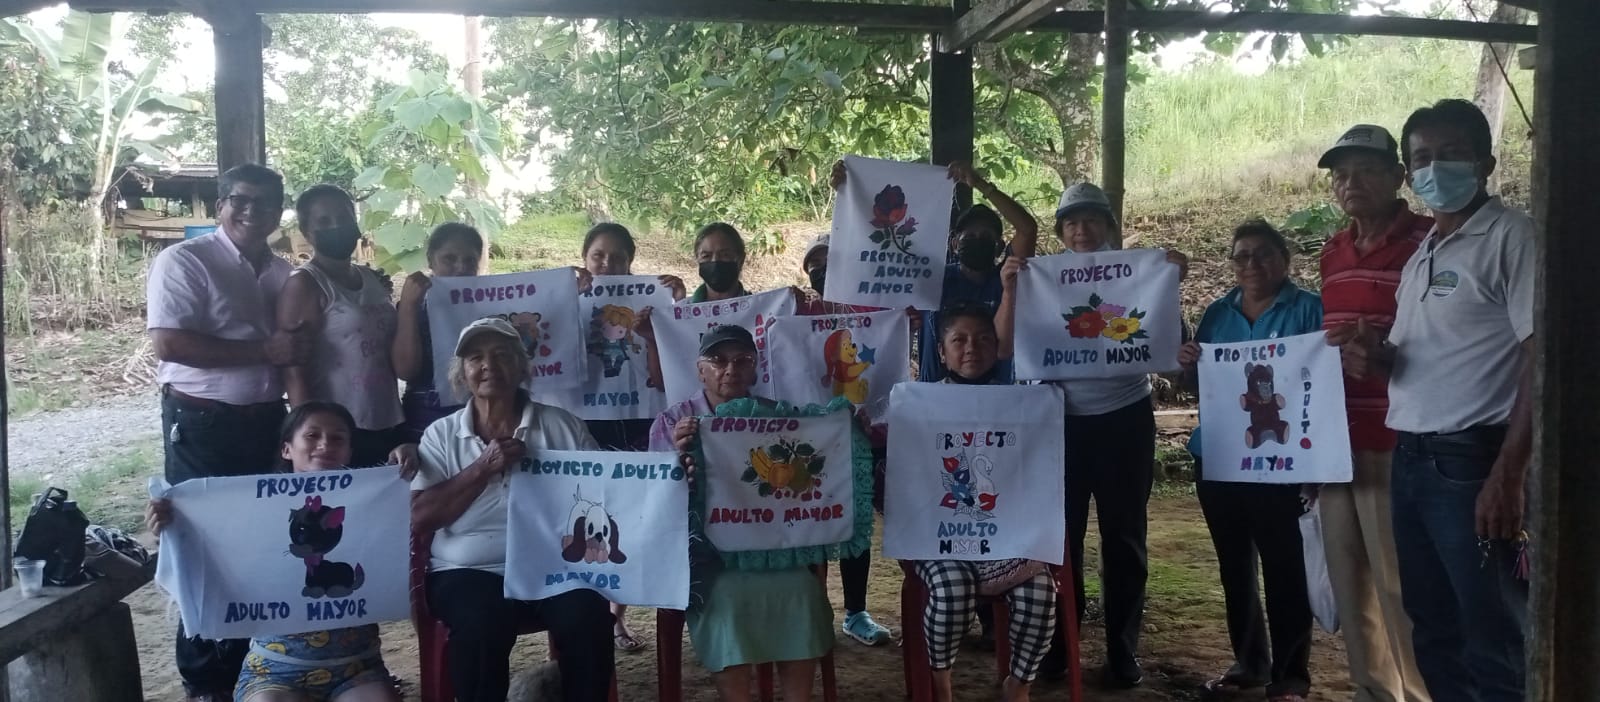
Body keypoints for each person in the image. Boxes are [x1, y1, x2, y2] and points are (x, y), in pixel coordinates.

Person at [1328, 99, 1534, 702]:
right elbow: (1423, 356)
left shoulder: (1511, 236)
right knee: (1433, 626)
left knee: (1492, 631)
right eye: (1423, 157)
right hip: (1413, 456)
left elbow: (1542, 356)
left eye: (1451, 154)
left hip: (1473, 460)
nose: (1434, 168)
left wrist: (1509, 474)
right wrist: (1376, 358)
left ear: (1485, 163)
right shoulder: (1429, 251)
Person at [994, 182, 1189, 688]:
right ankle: (1060, 646)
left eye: (1091, 220)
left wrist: (1169, 283)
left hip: (1125, 420)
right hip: (1058, 425)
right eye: (1071, 223)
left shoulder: (1137, 272)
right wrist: (1011, 288)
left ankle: (1123, 652)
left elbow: (1168, 347)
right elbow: (1004, 346)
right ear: (1061, 231)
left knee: (1125, 538)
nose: (1081, 230)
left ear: (1108, 225)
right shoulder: (1039, 277)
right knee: (1062, 541)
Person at [146, 162, 311, 702]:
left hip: (266, 422)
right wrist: (265, 351)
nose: (251, 211)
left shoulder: (282, 273)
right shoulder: (185, 260)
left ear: (279, 211)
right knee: (205, 549)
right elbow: (169, 343)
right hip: (203, 424)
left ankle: (253, 669)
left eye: (265, 203)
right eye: (240, 200)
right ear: (221, 205)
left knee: (262, 544)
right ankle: (205, 682)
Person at [147, 402, 416, 702]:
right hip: (272, 669)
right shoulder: (253, 512)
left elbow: (412, 511)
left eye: (338, 438)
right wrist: (171, 528)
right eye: (312, 435)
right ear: (287, 449)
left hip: (357, 667)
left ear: (350, 450)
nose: (325, 444)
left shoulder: (376, 502)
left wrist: (412, 454)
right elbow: (209, 551)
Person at [410, 317, 614, 702]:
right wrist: (481, 469)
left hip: (554, 566)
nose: (489, 365)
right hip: (467, 569)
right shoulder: (441, 434)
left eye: (502, 354)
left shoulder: (563, 426)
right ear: (462, 373)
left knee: (587, 616)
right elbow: (421, 517)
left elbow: (603, 496)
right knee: (482, 622)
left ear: (522, 368)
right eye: (475, 357)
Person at [649, 325, 835, 702]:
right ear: (700, 370)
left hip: (773, 549)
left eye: (742, 360)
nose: (730, 369)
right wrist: (675, 463)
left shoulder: (780, 418)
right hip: (708, 559)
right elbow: (652, 502)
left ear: (755, 370)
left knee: (802, 592)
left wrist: (850, 431)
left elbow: (815, 471)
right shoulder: (672, 422)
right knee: (725, 599)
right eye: (718, 360)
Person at [1178, 221, 1321, 702]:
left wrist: (1318, 464)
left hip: (1285, 463)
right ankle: (1250, 663)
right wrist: (1188, 363)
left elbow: (1326, 383)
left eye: (1263, 254)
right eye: (1242, 255)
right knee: (1234, 567)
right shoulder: (1218, 313)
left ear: (1285, 259)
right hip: (1220, 458)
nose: (1252, 264)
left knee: (1285, 567)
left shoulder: (1310, 309)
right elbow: (1202, 387)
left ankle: (1290, 676)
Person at [1315, 124, 1432, 702]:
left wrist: (1388, 354)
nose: (1351, 183)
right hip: (1336, 443)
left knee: (1400, 585)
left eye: (1365, 171)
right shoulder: (1332, 253)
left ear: (1397, 177)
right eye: (1341, 175)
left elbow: (1446, 338)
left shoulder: (1429, 242)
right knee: (1350, 582)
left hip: (1397, 439)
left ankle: (1421, 692)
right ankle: (1372, 691)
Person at [916, 302, 1058, 702]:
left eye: (982, 339)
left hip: (1007, 538)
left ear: (997, 347)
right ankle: (941, 685)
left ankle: (1019, 685)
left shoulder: (1024, 404)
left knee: (1040, 593)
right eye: (958, 340)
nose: (971, 349)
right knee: (952, 590)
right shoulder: (917, 404)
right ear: (941, 351)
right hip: (939, 539)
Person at [576, 222, 686, 654]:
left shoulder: (649, 302)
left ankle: (616, 617)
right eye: (599, 255)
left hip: (641, 421)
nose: (607, 263)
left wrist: (675, 307)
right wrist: (565, 296)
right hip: (585, 424)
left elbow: (672, 365)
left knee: (632, 519)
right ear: (585, 258)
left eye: (618, 256)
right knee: (586, 515)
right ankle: (578, 623)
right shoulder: (566, 297)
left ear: (630, 262)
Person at [829, 159, 1038, 384]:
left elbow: (1027, 229)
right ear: (954, 244)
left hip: (995, 393)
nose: (978, 240)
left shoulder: (1008, 279)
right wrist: (850, 193)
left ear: (999, 246)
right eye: (969, 236)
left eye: (986, 237)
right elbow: (878, 253)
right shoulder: (931, 277)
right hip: (934, 394)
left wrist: (980, 184)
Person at [793, 233, 894, 647]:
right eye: (813, 265)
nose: (822, 270)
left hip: (865, 437)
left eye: (829, 260)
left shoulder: (877, 309)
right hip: (812, 441)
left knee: (856, 525)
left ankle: (855, 613)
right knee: (812, 522)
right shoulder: (801, 311)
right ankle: (812, 611)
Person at [278, 185, 405, 467]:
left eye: (344, 217)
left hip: (388, 419)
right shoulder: (304, 284)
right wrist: (307, 435)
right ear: (307, 232)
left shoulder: (371, 279)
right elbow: (293, 368)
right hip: (337, 433)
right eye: (324, 221)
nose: (336, 226)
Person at [392, 223, 484, 443]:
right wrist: (408, 307)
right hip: (425, 421)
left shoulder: (494, 305)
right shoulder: (414, 305)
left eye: (469, 260)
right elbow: (405, 370)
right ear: (430, 260)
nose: (460, 268)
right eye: (449, 259)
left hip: (483, 419)